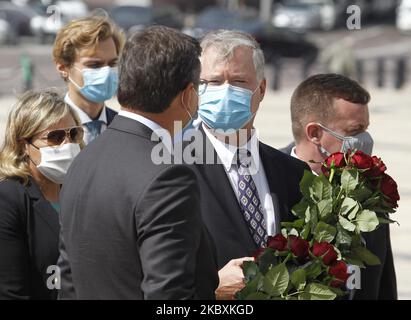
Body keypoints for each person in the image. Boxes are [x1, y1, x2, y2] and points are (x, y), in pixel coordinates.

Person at [57, 26, 219, 300]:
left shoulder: (85, 158)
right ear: (187, 94)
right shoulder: (167, 177)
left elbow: (68, 281)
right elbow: (168, 297)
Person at [190, 30, 309, 299]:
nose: (225, 91)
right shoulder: (174, 169)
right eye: (213, 81)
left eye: (238, 81)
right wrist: (209, 286)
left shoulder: (293, 173)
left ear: (262, 89)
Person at [281, 73, 397, 299]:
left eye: (366, 128)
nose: (365, 139)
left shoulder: (368, 188)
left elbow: (383, 284)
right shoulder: (271, 185)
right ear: (315, 133)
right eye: (354, 131)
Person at [0, 90, 84, 299]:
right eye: (55, 137)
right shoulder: (9, 199)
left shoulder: (81, 192)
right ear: (24, 146)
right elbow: (11, 292)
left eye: (73, 134)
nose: (67, 144)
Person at [53, 15, 125, 145]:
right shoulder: (49, 129)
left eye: (112, 64)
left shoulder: (125, 128)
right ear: (63, 67)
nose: (106, 72)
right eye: (94, 65)